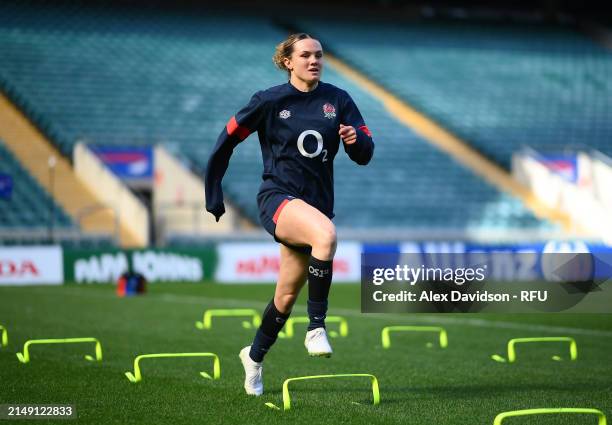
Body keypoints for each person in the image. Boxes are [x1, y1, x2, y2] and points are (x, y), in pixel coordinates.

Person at [204, 33, 374, 396]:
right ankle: (315, 328)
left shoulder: (338, 100)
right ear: (288, 62)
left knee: (284, 297)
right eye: (306, 55)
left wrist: (356, 142)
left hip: (315, 207)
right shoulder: (269, 101)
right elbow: (227, 138)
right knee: (326, 236)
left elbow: (365, 152)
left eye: (319, 55)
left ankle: (253, 356)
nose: (314, 61)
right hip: (277, 198)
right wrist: (213, 189)